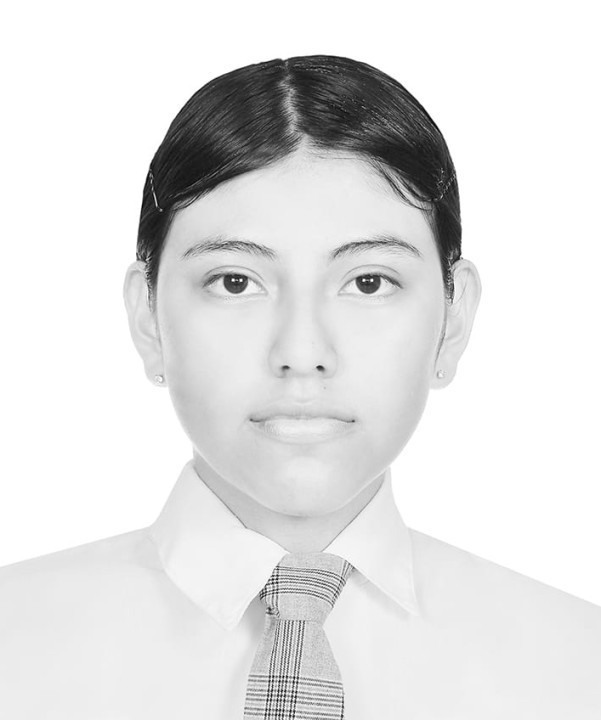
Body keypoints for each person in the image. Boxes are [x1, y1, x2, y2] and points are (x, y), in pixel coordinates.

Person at [0, 54, 599, 719]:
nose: (303, 353)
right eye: (235, 282)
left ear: (453, 320)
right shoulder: (13, 649)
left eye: (368, 282)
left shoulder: (578, 668)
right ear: (147, 317)